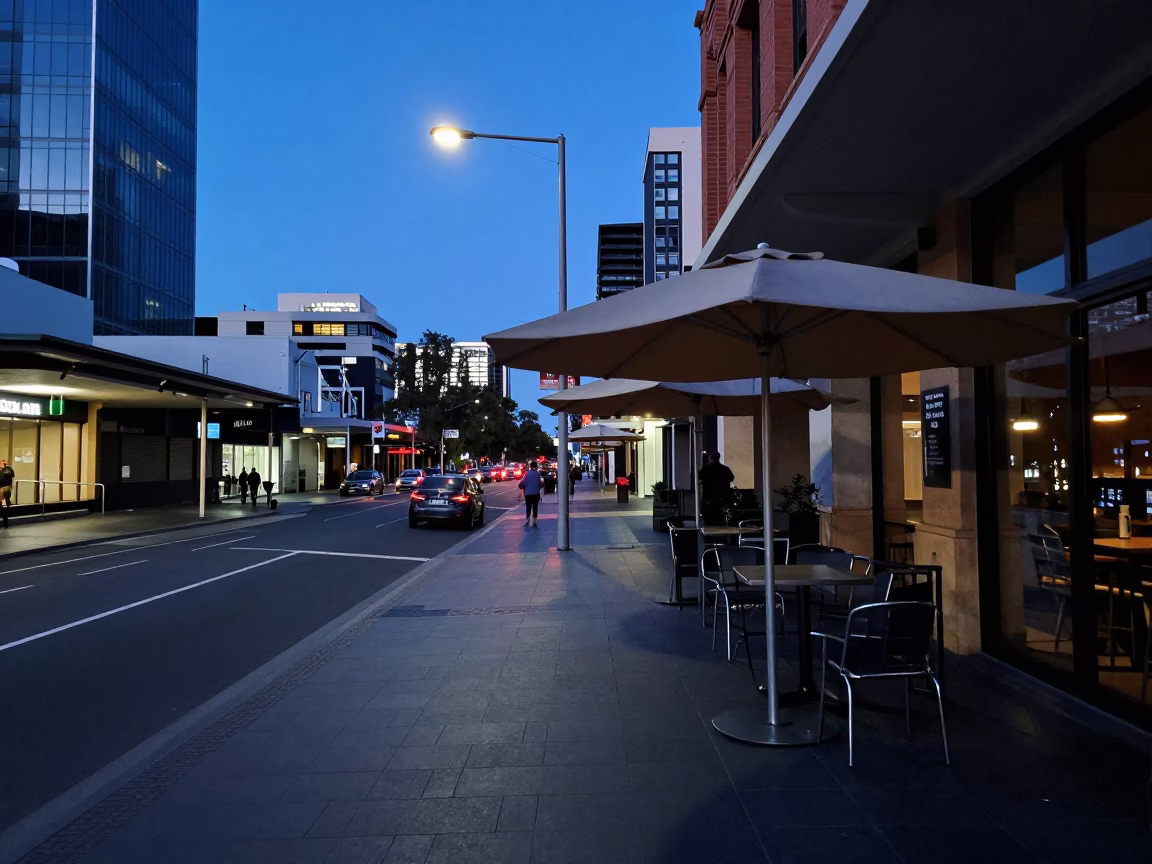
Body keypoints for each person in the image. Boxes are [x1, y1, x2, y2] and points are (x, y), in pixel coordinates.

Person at [698, 451, 735, 526]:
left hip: (709, 497)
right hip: (723, 497)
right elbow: (731, 478)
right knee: (721, 519)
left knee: (709, 520)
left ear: (710, 458)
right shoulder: (725, 469)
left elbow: (699, 477)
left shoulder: (706, 469)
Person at [519, 461, 542, 528]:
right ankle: (534, 520)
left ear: (530, 466)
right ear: (536, 466)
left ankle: (528, 519)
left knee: (528, 507)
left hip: (528, 494)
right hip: (536, 493)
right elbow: (540, 484)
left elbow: (522, 483)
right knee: (535, 507)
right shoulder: (537, 474)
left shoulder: (526, 474)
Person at [0, 459, 14, 528]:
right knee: (2, 505)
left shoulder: (8, 469)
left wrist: (4, 467)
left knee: (4, 505)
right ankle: (4, 522)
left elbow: (10, 474)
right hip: (1, 489)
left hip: (4, 489)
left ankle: (5, 523)